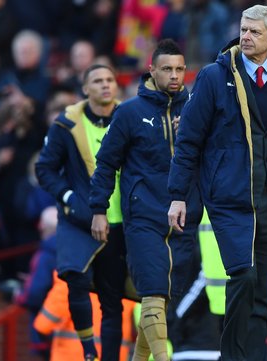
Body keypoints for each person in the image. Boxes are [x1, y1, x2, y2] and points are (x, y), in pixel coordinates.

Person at [167, 5, 267, 360]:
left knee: (264, 292)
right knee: (244, 277)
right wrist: (177, 195)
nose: (246, 36)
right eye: (243, 29)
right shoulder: (213, 77)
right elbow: (188, 138)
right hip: (230, 198)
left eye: (254, 32)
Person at [90, 39, 202, 361]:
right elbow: (106, 164)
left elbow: (210, 158)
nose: (175, 75)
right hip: (143, 218)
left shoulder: (196, 110)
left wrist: (192, 135)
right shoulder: (128, 113)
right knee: (152, 292)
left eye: (180, 69)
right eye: (167, 69)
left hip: (184, 219)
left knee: (161, 303)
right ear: (151, 70)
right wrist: (98, 208)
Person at [35, 64, 127, 361]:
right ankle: (88, 350)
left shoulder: (132, 119)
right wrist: (69, 196)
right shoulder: (66, 124)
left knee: (113, 301)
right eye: (97, 81)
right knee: (74, 279)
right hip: (79, 219)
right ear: (85, 89)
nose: (105, 85)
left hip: (121, 223)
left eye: (110, 80)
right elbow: (44, 168)